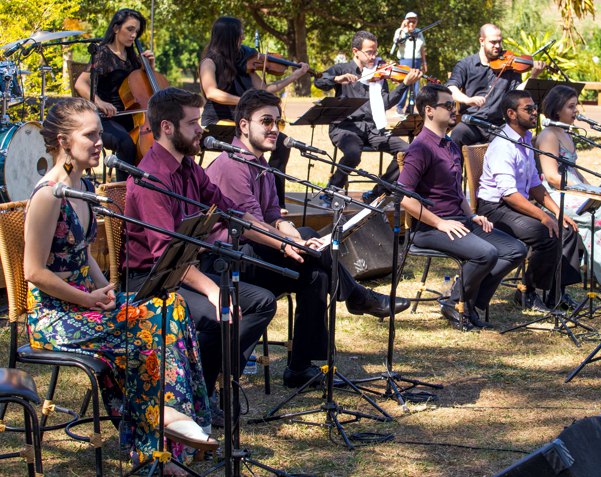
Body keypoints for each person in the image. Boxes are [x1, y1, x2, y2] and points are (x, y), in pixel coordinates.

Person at [25, 98, 215, 474]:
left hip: (87, 302)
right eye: (91, 135)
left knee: (170, 306)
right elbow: (33, 272)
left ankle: (168, 429)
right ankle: (161, 432)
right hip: (55, 315)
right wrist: (88, 298)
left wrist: (105, 288)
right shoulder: (49, 195)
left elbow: (83, 253)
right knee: (144, 335)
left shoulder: (82, 183)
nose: (100, 142)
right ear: (64, 141)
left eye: (99, 133)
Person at [205, 89, 410, 335]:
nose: (274, 129)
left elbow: (273, 217)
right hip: (226, 259)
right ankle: (357, 295)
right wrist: (290, 242)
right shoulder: (232, 165)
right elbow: (250, 228)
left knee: (316, 275)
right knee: (307, 243)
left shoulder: (261, 164)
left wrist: (297, 239)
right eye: (266, 121)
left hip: (253, 251)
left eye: (277, 122)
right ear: (244, 125)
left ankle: (305, 368)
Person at [123, 88, 287, 395]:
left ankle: (210, 384)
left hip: (184, 272)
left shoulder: (189, 168)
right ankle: (201, 394)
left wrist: (283, 240)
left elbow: (230, 210)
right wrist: (213, 290)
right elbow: (164, 255)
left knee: (262, 301)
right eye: (193, 123)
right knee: (218, 314)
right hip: (150, 281)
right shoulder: (151, 178)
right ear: (167, 128)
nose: (201, 129)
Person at [397, 84, 526, 330]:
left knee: (515, 249)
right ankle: (456, 302)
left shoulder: (450, 143)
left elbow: (456, 191)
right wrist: (440, 223)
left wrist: (472, 215)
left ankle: (470, 302)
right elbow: (405, 198)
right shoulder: (420, 148)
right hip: (429, 229)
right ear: (429, 111)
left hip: (459, 220)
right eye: (447, 105)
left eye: (454, 105)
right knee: (486, 253)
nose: (454, 109)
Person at [476, 90, 583, 312]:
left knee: (567, 229)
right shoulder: (502, 146)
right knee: (546, 234)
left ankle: (557, 294)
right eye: (529, 109)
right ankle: (527, 291)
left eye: (535, 108)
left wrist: (558, 213)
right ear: (511, 114)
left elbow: (535, 184)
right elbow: (509, 194)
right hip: (495, 208)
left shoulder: (525, 140)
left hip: (516, 204)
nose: (535, 113)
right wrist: (544, 217)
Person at [199, 16, 310, 204]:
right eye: (239, 34)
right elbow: (211, 93)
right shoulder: (209, 62)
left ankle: (275, 202)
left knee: (281, 144)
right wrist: (244, 101)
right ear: (228, 36)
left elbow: (265, 90)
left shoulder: (245, 63)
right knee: (254, 144)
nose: (243, 37)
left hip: (244, 125)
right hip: (218, 123)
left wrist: (296, 75)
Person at [537, 85, 601, 286]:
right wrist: (585, 192)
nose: (576, 111)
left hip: (575, 189)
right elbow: (552, 176)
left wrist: (596, 189)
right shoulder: (549, 135)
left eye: (576, 106)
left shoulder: (567, 134)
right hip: (557, 195)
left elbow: (574, 171)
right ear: (557, 109)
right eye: (570, 106)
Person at [314, 30, 422, 205]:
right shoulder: (342, 69)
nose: (374, 56)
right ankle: (331, 190)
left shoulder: (379, 75)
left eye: (375, 52)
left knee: (408, 152)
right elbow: (318, 81)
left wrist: (404, 85)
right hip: (346, 128)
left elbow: (386, 103)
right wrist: (336, 79)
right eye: (369, 52)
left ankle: (378, 191)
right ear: (356, 51)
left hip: (373, 128)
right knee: (353, 154)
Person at [74, 8, 153, 180]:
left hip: (130, 118)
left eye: (136, 32)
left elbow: (144, 88)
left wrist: (149, 67)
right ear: (116, 28)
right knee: (126, 143)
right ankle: (122, 190)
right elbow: (80, 83)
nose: (134, 35)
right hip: (106, 119)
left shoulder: (132, 56)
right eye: (130, 29)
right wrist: (99, 102)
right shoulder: (103, 53)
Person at [446, 24, 544, 147]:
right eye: (493, 42)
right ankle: (455, 167)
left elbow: (516, 94)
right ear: (481, 41)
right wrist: (468, 100)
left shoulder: (509, 66)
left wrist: (533, 76)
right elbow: (451, 88)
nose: (498, 46)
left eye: (499, 42)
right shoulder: (465, 65)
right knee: (457, 134)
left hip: (498, 125)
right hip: (472, 123)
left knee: (518, 138)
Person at [390, 11, 427, 115]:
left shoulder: (419, 31)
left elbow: (422, 48)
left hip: (417, 60)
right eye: (409, 21)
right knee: (405, 84)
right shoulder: (400, 31)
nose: (411, 23)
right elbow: (398, 41)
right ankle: (399, 107)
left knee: (416, 86)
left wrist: (424, 63)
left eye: (414, 21)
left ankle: (410, 108)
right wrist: (403, 27)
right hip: (405, 60)